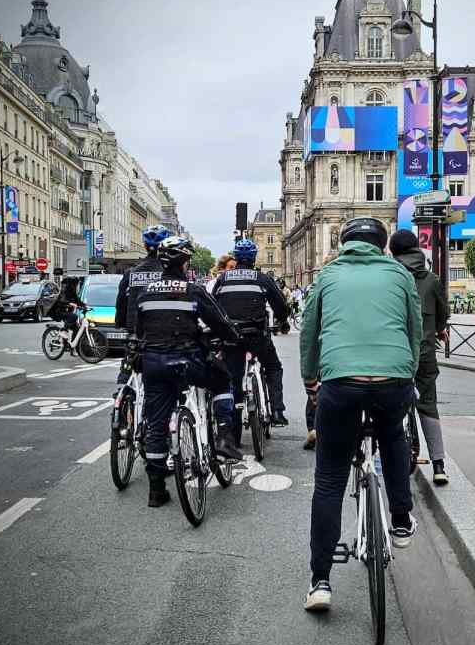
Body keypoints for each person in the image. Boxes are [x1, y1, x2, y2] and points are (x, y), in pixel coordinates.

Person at [300, 217, 422, 612]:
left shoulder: (328, 275)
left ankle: (320, 582)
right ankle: (401, 518)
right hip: (394, 376)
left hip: (341, 381)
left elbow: (310, 330)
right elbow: (413, 327)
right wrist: (409, 372)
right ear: (382, 244)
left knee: (330, 478)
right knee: (392, 436)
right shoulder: (399, 274)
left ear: (345, 243)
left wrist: (310, 380)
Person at [132, 236, 242, 507]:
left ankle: (156, 490)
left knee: (156, 426)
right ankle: (225, 438)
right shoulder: (193, 290)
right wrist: (232, 337)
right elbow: (219, 322)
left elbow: (138, 331)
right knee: (222, 380)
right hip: (187, 360)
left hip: (154, 362)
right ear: (185, 263)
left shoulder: (146, 292)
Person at [390, 229, 450, 485]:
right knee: (428, 405)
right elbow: (443, 314)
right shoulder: (432, 281)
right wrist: (437, 330)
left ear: (392, 252)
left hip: (393, 355)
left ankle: (389, 459)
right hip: (424, 353)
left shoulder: (389, 279)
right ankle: (438, 465)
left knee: (389, 407)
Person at [212, 238, 290, 433]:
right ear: (254, 257)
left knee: (234, 378)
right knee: (273, 367)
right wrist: (282, 321)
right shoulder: (262, 278)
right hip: (257, 336)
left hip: (232, 337)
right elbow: (280, 305)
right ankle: (277, 411)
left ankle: (233, 424)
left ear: (236, 258)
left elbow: (213, 308)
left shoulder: (223, 279)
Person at [114, 225, 170, 388]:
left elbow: (121, 300)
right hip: (162, 329)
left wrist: (122, 324)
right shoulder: (168, 273)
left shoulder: (131, 273)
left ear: (145, 246)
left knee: (129, 364)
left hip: (136, 329)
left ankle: (124, 394)